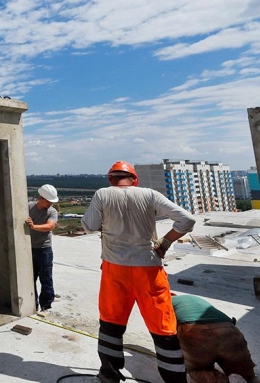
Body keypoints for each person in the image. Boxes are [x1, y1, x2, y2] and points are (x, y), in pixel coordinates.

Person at [82, 161, 195, 383]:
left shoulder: (103, 194)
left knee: (111, 322)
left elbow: (89, 226)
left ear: (110, 179)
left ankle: (109, 374)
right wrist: (165, 242)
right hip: (149, 269)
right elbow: (187, 220)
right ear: (135, 180)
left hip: (115, 269)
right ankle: (175, 379)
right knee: (163, 326)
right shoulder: (149, 194)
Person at [172, 294, 260, 383]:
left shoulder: (166, 303)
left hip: (195, 331)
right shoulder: (190, 298)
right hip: (228, 329)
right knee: (248, 375)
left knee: (200, 370)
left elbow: (166, 334)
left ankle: (216, 379)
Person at [26, 184, 59, 311]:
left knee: (46, 279)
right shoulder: (28, 207)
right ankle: (32, 305)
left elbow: (50, 226)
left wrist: (33, 226)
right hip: (29, 249)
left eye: (52, 202)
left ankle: (46, 306)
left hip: (44, 250)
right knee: (30, 279)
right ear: (41, 198)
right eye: (48, 201)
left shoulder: (52, 211)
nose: (50, 204)